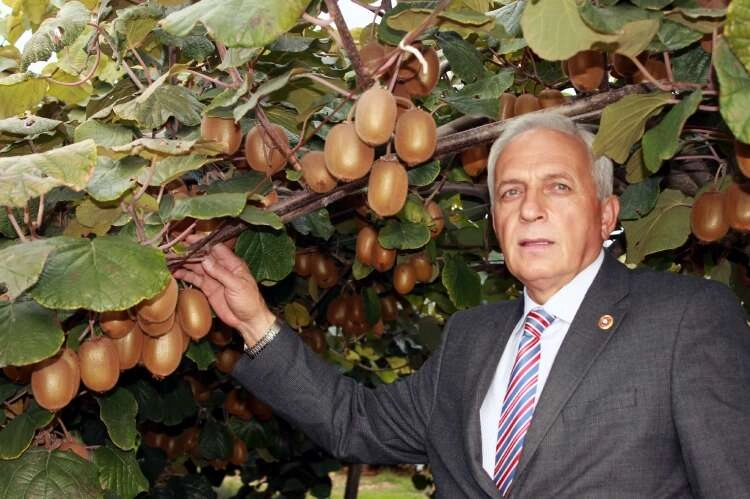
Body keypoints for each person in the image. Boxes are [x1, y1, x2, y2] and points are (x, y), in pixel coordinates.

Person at [173, 113, 750, 498]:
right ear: (496, 221)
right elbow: (356, 424)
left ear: (605, 215)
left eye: (558, 186)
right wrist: (254, 320)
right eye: (511, 192)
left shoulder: (683, 319)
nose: (530, 209)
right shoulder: (471, 336)